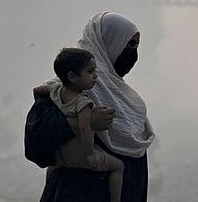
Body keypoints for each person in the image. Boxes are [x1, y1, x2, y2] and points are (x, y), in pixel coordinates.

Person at [36, 11, 155, 202]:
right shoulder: (65, 86)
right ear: (109, 42)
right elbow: (38, 139)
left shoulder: (123, 95)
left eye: (136, 45)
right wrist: (84, 123)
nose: (133, 53)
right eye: (128, 44)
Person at [33, 47, 124, 202]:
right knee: (118, 166)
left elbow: (37, 90)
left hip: (61, 154)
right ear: (72, 77)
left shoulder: (56, 89)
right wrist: (90, 154)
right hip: (79, 155)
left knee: (53, 168)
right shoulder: (84, 102)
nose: (95, 76)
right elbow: (84, 128)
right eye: (90, 72)